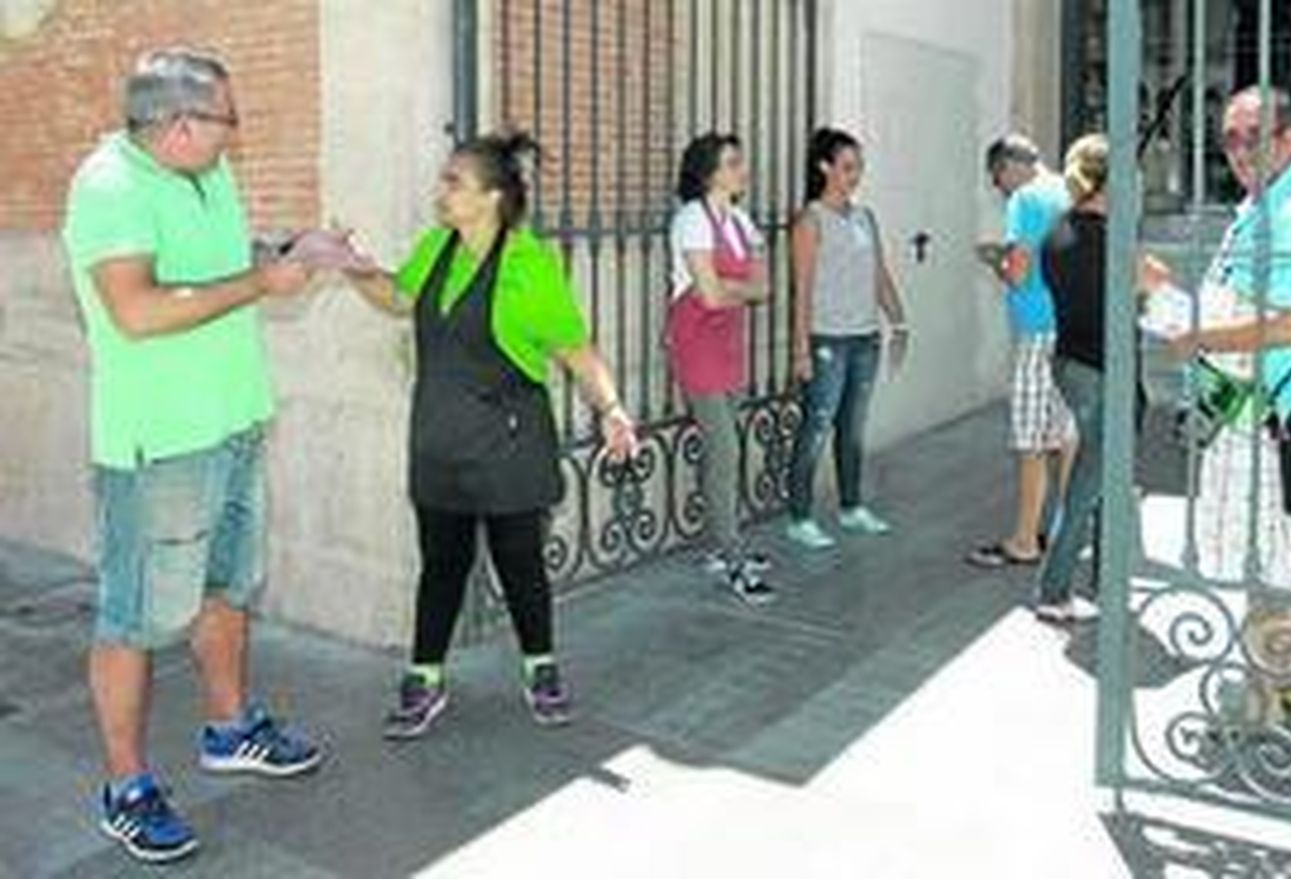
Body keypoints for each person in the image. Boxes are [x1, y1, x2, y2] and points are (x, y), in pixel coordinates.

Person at [61, 47, 324, 864]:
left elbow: (215, 266)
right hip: (161, 446)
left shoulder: (206, 174)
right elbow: (136, 309)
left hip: (233, 423)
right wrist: (262, 287)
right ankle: (127, 788)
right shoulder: (109, 186)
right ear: (179, 124)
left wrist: (287, 251)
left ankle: (229, 727)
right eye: (225, 121)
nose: (233, 137)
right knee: (134, 617)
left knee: (227, 587)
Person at [341, 132, 637, 738]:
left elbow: (576, 350)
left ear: (493, 197)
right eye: (443, 180)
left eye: (455, 182)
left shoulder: (530, 268)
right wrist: (351, 267)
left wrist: (611, 408)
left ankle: (541, 668)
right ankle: (424, 678)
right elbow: (398, 297)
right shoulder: (435, 247)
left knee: (519, 561)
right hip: (439, 443)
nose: (441, 192)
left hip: (508, 444)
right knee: (441, 565)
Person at [1166, 86, 1291, 726]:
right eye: (1231, 138)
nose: (1240, 150)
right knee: (1279, 559)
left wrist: (1199, 336)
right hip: (1255, 412)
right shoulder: (1267, 203)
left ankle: (1257, 704)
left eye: (1255, 136)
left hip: (1265, 419)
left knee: (1253, 566)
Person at [1032, 134, 1161, 623]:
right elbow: (1142, 291)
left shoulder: (1056, 233)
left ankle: (1107, 584)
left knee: (1106, 478)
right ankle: (1053, 587)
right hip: (1106, 369)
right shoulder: (1111, 241)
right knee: (1090, 484)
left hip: (1071, 363)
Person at [785, 128, 910, 549]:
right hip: (827, 340)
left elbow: (879, 274)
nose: (856, 175)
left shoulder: (864, 217)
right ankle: (799, 516)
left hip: (864, 339)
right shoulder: (810, 220)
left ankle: (852, 507)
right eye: (848, 167)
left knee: (852, 429)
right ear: (825, 168)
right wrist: (801, 347)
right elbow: (801, 289)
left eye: (859, 167)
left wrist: (899, 321)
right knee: (816, 426)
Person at [666, 132, 777, 604]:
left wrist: (725, 288)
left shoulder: (739, 220)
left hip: (728, 340)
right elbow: (711, 295)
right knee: (726, 449)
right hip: (696, 341)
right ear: (709, 173)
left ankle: (719, 543)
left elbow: (764, 287)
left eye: (740, 161)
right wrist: (735, 288)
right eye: (732, 163)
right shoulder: (692, 219)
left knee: (723, 449)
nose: (742, 169)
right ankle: (732, 556)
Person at [967, 134, 1077, 568]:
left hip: (1036, 330)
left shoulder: (1026, 199)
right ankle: (1068, 533)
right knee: (1066, 437)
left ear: (1009, 166)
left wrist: (997, 260)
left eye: (998, 180)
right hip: (1072, 327)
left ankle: (1024, 540)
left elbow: (1019, 273)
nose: (1001, 190)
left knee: (1031, 440)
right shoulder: (1070, 189)